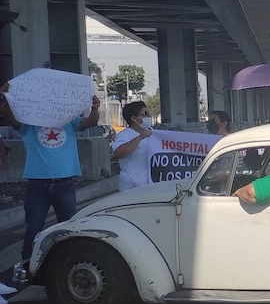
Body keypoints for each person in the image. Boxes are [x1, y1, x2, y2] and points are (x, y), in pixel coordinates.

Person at [0, 81, 100, 293]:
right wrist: (5, 97)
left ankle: (67, 265)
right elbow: (9, 117)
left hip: (65, 183)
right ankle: (27, 267)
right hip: (38, 184)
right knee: (34, 228)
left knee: (69, 227)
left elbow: (91, 122)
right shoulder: (29, 123)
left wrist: (96, 107)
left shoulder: (69, 121)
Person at [111, 101, 154, 192]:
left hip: (150, 183)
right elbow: (119, 153)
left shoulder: (154, 133)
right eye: (144, 114)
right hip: (131, 185)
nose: (148, 116)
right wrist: (141, 137)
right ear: (134, 118)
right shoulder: (124, 135)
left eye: (148, 113)